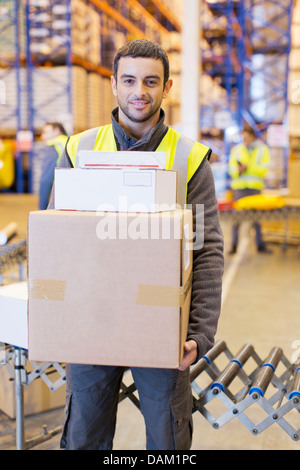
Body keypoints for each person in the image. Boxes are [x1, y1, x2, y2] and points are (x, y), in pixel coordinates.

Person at [48, 39, 224, 450]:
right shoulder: (79, 149)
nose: (139, 91)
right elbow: (56, 240)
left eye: (150, 81)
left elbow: (207, 248)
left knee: (167, 438)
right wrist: (56, 321)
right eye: (128, 80)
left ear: (167, 87)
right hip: (91, 319)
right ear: (113, 84)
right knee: (83, 436)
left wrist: (198, 333)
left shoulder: (189, 158)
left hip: (163, 329)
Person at [228, 127, 271, 254]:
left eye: (247, 137)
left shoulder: (262, 149)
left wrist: (248, 167)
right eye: (243, 138)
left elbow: (264, 169)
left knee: (257, 218)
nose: (245, 140)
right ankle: (234, 245)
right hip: (240, 188)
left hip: (255, 188)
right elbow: (231, 169)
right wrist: (238, 170)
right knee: (236, 218)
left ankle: (260, 245)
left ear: (252, 136)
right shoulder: (236, 150)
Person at [38, 122, 68, 209]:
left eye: (46, 132)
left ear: (57, 131)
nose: (42, 136)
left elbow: (46, 179)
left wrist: (42, 209)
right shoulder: (69, 141)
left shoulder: (53, 145)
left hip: (60, 182)